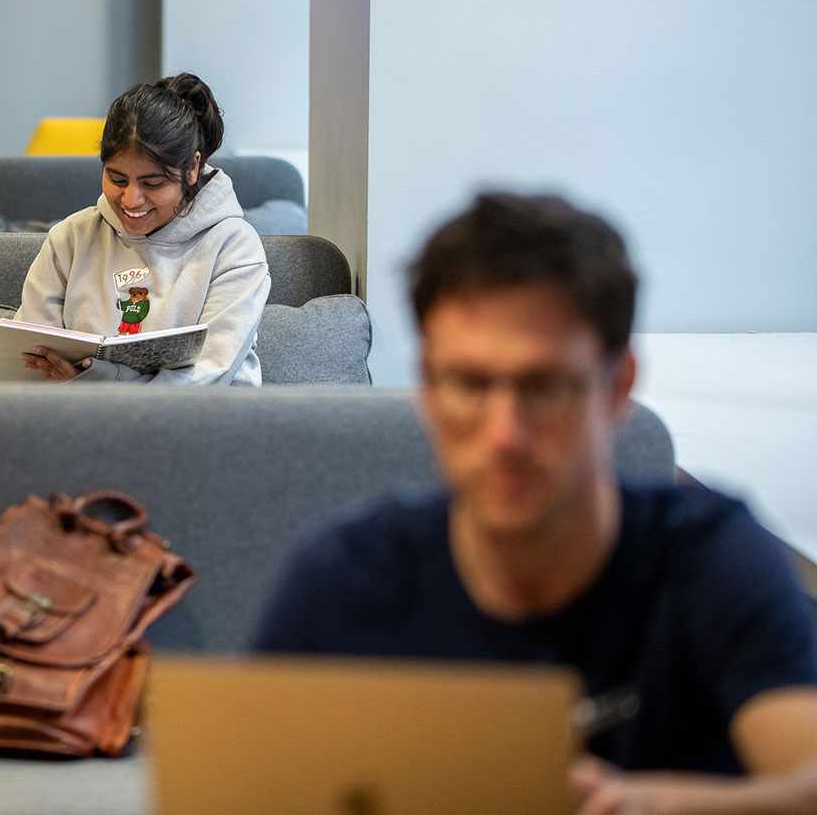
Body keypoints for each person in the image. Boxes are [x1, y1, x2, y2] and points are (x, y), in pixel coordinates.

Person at [253, 192, 817, 814]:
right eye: (469, 384)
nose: (505, 436)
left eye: (544, 386)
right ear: (429, 390)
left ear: (619, 386)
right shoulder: (344, 581)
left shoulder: (711, 559)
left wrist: (651, 806)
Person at [13, 73, 270, 384]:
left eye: (153, 183)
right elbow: (34, 360)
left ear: (191, 169)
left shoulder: (234, 247)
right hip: (76, 423)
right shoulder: (70, 238)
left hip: (198, 424)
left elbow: (210, 375)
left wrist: (95, 383)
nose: (131, 199)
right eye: (117, 179)